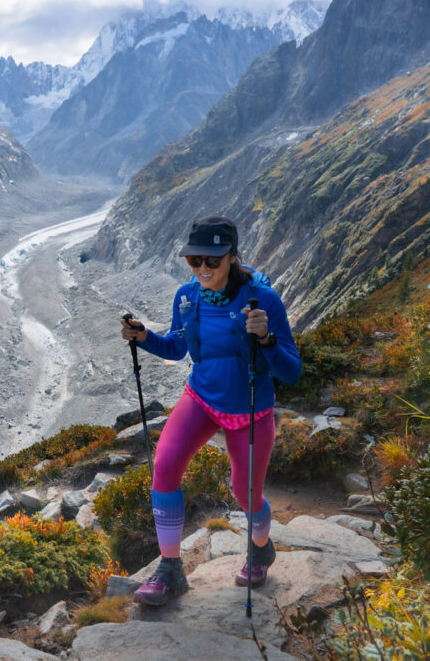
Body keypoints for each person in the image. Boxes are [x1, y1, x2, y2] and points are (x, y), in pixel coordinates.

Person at [120, 216, 301, 606]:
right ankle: (170, 570)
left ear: (233, 258)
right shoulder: (188, 297)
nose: (202, 268)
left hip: (251, 411)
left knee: (245, 492)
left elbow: (292, 370)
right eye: (194, 260)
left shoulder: (263, 300)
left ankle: (261, 548)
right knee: (165, 467)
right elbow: (177, 348)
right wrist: (144, 337)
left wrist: (267, 339)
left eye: (213, 260)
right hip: (201, 399)